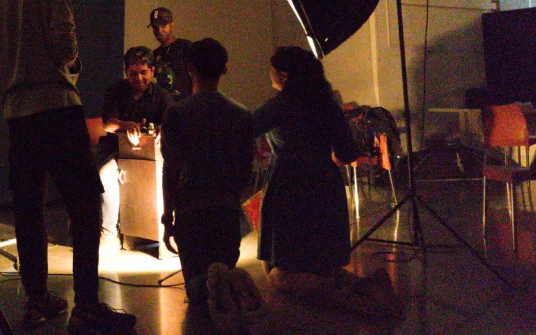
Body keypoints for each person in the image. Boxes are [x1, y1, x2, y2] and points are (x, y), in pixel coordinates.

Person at [0, 0, 136, 334]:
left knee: (28, 210)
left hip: (18, 114)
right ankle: (86, 306)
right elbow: (66, 47)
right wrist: (71, 62)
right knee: (85, 206)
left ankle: (37, 301)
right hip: (55, 105)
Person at [252, 46, 402, 317]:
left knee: (279, 272)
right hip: (325, 186)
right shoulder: (326, 104)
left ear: (283, 75)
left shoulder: (277, 107)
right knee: (322, 264)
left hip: (288, 188)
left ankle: (358, 304)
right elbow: (347, 152)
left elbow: (244, 129)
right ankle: (365, 288)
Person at [160, 38, 255, 305]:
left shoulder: (176, 113)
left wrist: (168, 216)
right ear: (224, 70)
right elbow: (246, 170)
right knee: (223, 288)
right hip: (226, 210)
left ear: (190, 69)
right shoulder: (241, 114)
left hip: (191, 211)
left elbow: (171, 170)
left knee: (198, 292)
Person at [97, 46, 172, 253]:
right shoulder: (115, 91)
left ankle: (163, 230)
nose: (138, 78)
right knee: (105, 174)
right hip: (119, 153)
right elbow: (107, 124)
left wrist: (161, 129)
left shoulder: (162, 95)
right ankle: (109, 233)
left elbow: (173, 122)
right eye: (133, 73)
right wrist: (127, 126)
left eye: (143, 72)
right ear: (126, 72)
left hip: (152, 156)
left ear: (152, 71)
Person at [148, 7, 193, 100]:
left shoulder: (185, 46)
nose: (159, 30)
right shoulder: (155, 54)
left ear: (172, 24)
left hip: (185, 103)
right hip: (166, 105)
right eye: (155, 27)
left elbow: (197, 76)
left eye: (163, 26)